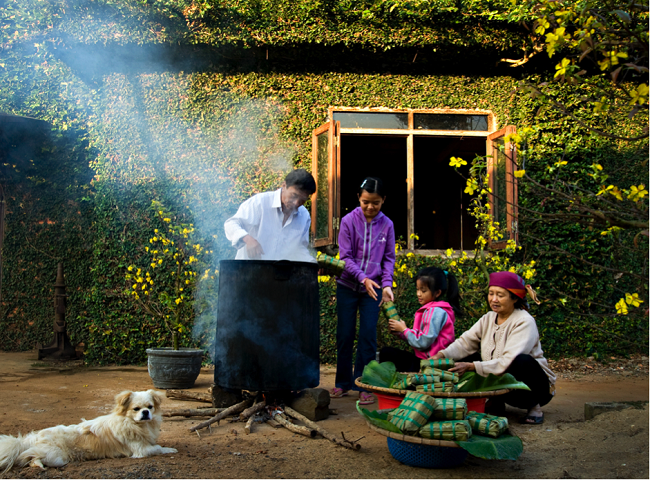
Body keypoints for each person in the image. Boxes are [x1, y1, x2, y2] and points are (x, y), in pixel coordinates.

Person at [432, 271, 555, 425]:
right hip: (502, 382)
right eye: (491, 293)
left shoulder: (524, 321)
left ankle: (534, 406)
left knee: (521, 361)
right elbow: (465, 342)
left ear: (514, 298)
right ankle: (496, 400)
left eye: (500, 295)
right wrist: (441, 355)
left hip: (536, 388)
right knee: (466, 356)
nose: (494, 299)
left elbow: (507, 361)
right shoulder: (488, 318)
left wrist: (471, 367)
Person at [330, 177, 396, 405]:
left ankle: (363, 385)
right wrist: (362, 277)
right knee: (345, 335)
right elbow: (345, 257)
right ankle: (342, 383)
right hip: (348, 286)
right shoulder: (348, 221)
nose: (370, 207)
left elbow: (389, 258)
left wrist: (386, 284)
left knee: (368, 336)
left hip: (374, 290)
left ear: (383, 200)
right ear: (359, 197)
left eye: (375, 203)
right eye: (366, 201)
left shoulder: (387, 225)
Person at [224, 169, 316, 262]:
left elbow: (299, 248)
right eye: (294, 195)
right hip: (248, 271)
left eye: (302, 199)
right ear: (284, 185)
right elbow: (231, 224)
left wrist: (311, 263)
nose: (296, 203)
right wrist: (247, 239)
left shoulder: (304, 215)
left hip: (279, 275)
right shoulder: (260, 202)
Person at [379, 266, 460, 372]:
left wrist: (404, 330)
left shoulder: (436, 312)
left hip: (431, 364)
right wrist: (400, 332)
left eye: (423, 290)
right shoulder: (430, 309)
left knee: (387, 353)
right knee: (387, 353)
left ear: (438, 293)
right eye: (417, 289)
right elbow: (419, 338)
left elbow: (423, 342)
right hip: (423, 360)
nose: (418, 294)